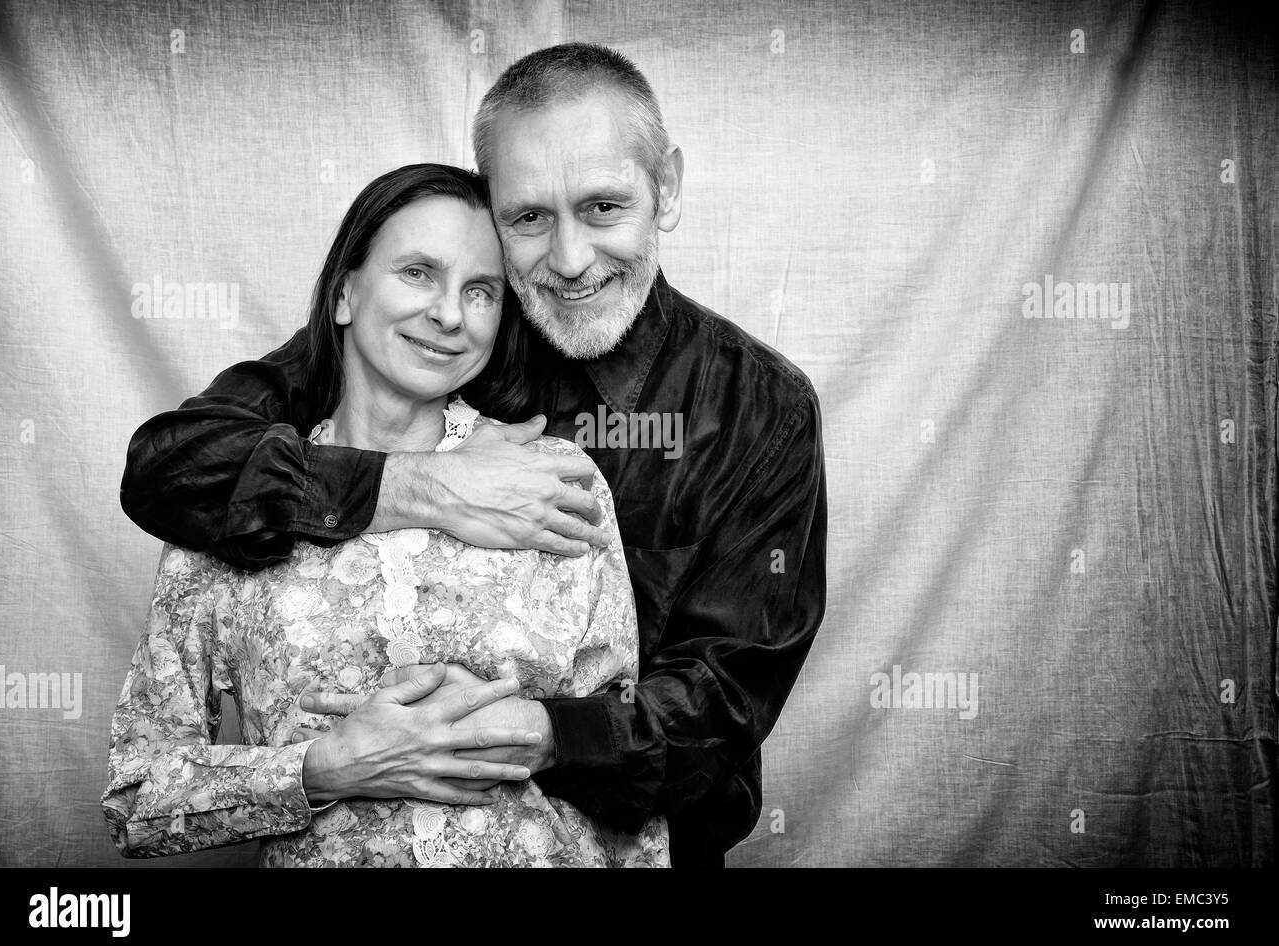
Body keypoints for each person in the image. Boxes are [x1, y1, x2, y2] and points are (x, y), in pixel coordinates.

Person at [121, 43, 828, 868]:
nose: (568, 261)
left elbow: (730, 694)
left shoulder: (761, 408)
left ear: (664, 189)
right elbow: (172, 465)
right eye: (528, 217)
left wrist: (537, 734)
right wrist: (426, 486)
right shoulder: (442, 331)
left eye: (603, 206)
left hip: (644, 831)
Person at [104, 163, 670, 867]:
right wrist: (324, 767)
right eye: (417, 273)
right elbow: (136, 799)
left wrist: (529, 731)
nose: (449, 314)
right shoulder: (233, 502)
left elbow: (630, 777)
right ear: (345, 292)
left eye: (481, 291)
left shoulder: (551, 479)